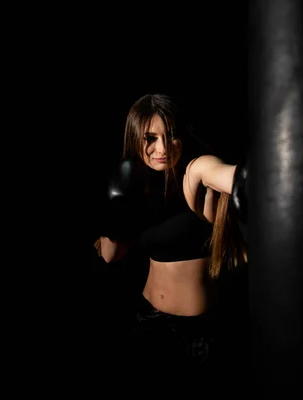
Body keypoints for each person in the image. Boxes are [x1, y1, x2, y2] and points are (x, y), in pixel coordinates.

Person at [93, 93, 249, 371]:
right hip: (148, 323)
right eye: (150, 138)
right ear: (135, 138)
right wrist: (116, 210)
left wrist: (244, 181)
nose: (163, 147)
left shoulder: (194, 171)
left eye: (171, 135)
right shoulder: (136, 188)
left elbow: (224, 174)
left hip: (198, 331)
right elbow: (108, 255)